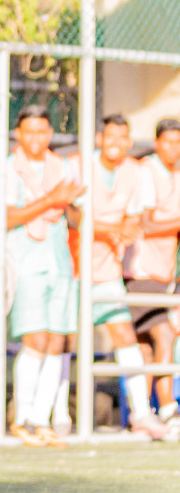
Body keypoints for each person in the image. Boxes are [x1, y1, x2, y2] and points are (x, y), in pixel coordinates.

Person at [4, 106, 82, 448]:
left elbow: (76, 215)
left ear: (50, 134)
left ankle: (42, 419)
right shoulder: (9, 168)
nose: (36, 138)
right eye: (29, 132)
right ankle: (22, 418)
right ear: (18, 134)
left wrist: (72, 204)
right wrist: (51, 200)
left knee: (57, 341)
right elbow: (8, 217)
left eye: (42, 131)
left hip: (60, 261)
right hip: (26, 260)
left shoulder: (62, 167)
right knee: (34, 340)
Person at [82, 115, 163, 438]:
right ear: (101, 138)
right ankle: (52, 418)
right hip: (73, 268)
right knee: (58, 341)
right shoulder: (82, 165)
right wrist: (113, 229)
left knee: (125, 337)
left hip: (107, 269)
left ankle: (142, 414)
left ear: (129, 141)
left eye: (122, 137)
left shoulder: (135, 171)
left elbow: (135, 221)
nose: (115, 142)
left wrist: (121, 233)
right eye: (110, 136)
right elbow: (77, 219)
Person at [132, 119, 180, 433]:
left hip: (165, 272)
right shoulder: (146, 171)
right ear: (157, 142)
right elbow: (147, 225)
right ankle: (166, 408)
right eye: (168, 141)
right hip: (140, 269)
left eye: (178, 142)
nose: (173, 148)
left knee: (147, 347)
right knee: (164, 336)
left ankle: (142, 415)